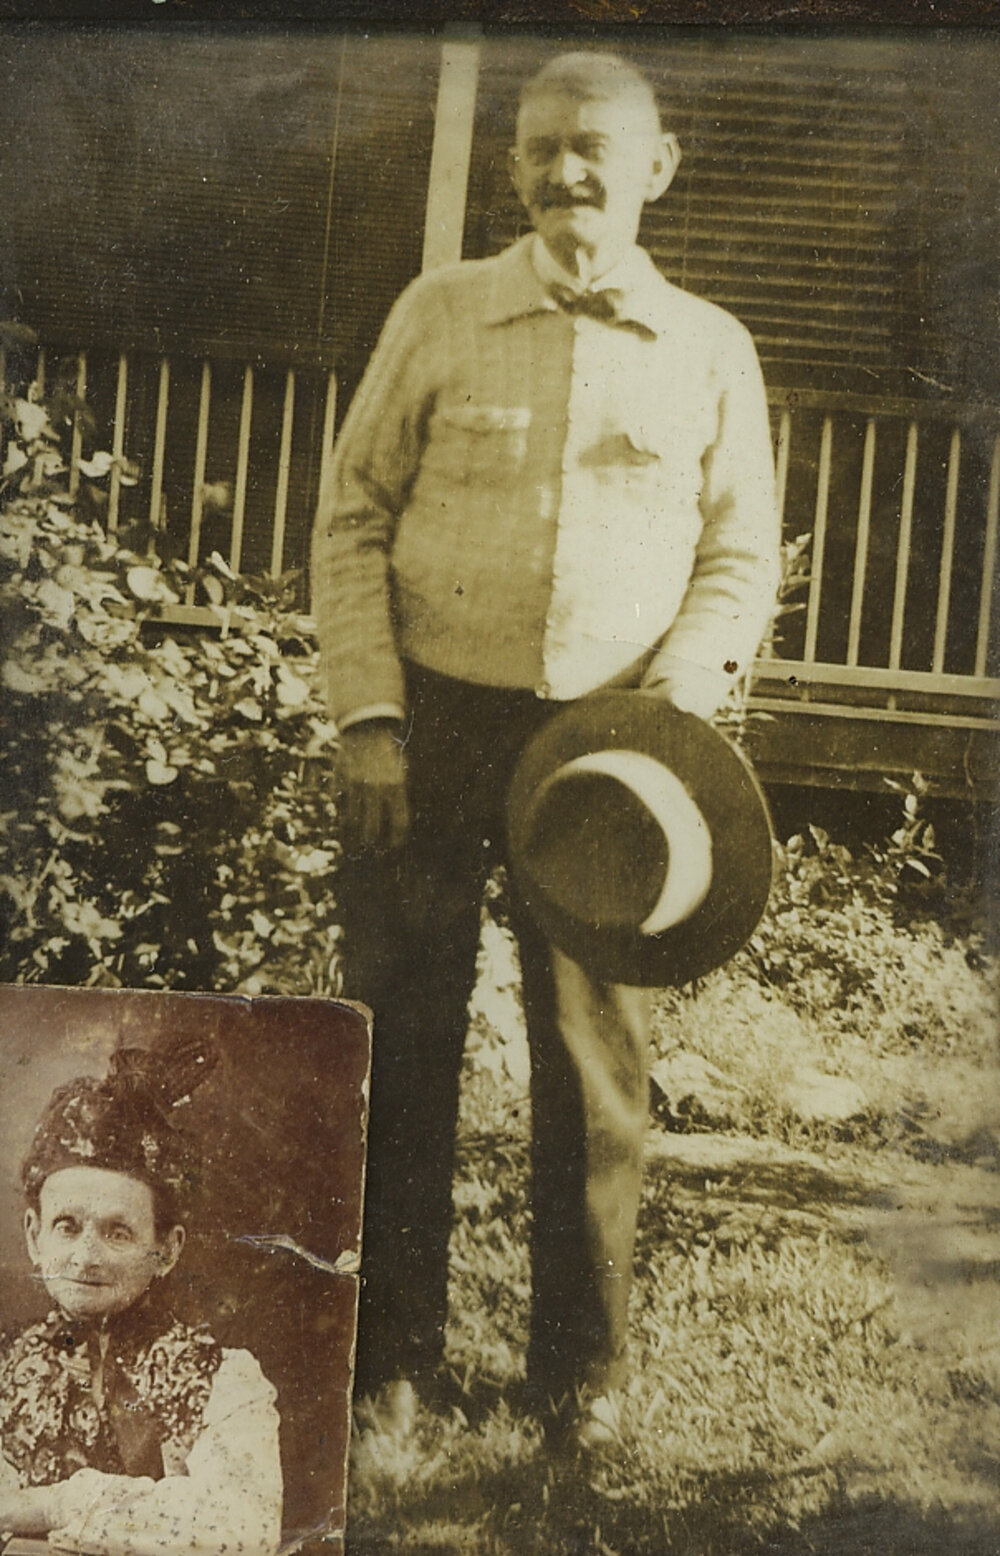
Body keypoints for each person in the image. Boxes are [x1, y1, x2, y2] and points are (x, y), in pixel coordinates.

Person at [311, 50, 780, 1448]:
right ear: (513, 168)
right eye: (539, 151)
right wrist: (370, 721)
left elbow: (737, 555)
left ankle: (582, 1377)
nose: (566, 173)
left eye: (594, 148)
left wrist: (678, 703)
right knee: (402, 1035)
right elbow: (353, 520)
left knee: (595, 1056)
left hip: (605, 747)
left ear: (657, 167)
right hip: (431, 726)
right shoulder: (442, 312)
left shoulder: (708, 347)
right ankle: (387, 1358)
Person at [0, 1039, 283, 1554]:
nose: (86, 1256)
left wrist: (54, 1507)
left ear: (166, 1251)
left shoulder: (225, 1381)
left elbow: (243, 1528)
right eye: (66, 1226)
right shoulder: (5, 1370)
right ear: (33, 1236)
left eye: (118, 1232)